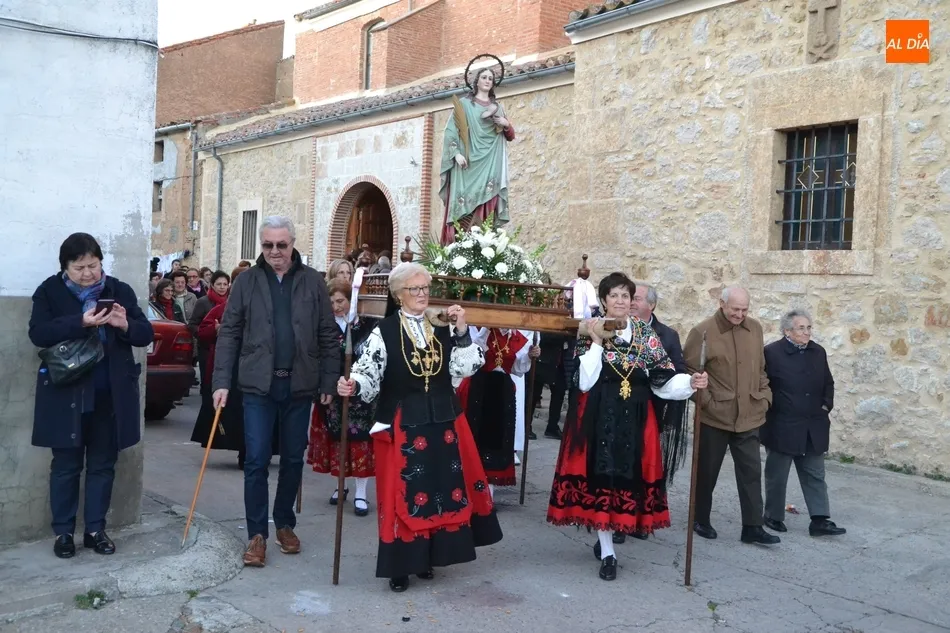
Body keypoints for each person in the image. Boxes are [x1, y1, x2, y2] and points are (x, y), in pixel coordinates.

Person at [337, 262, 502, 593]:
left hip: (442, 419)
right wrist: (353, 384)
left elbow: (467, 366)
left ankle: (430, 557)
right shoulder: (382, 331)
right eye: (415, 289)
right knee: (403, 492)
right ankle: (401, 565)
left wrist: (461, 330)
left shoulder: (440, 326)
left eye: (425, 288)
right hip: (403, 421)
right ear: (399, 295)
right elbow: (368, 370)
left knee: (441, 488)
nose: (422, 294)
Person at [546, 272, 705, 581]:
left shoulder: (645, 334)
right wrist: (595, 342)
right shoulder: (589, 329)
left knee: (627, 480)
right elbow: (584, 380)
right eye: (614, 295)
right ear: (604, 300)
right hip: (599, 414)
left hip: (636, 417)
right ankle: (608, 552)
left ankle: (607, 538)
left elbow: (662, 376)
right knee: (602, 479)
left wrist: (690, 382)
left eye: (625, 296)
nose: (620, 301)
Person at [213, 216, 340, 568]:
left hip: (299, 384)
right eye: (267, 245)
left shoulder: (313, 282)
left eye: (281, 245)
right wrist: (221, 382)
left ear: (293, 243)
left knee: (294, 459)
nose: (274, 252)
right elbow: (230, 334)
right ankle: (257, 533)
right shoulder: (247, 282)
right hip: (257, 386)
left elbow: (328, 333)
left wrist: (329, 381)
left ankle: (284, 522)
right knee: (255, 459)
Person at [29, 232, 154, 558]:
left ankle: (96, 529)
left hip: (109, 396)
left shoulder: (118, 291)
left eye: (93, 265)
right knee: (66, 465)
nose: (88, 274)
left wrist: (125, 324)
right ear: (65, 267)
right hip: (66, 394)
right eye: (79, 267)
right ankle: (64, 533)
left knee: (102, 464)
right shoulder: (49, 291)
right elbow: (38, 334)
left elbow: (145, 334)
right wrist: (80, 321)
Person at [683, 286, 779, 546]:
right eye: (735, 309)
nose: (740, 314)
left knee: (751, 472)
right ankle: (700, 519)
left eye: (744, 310)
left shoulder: (755, 329)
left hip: (749, 414)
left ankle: (752, 527)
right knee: (706, 472)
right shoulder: (702, 332)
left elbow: (760, 367)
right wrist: (707, 402)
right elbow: (689, 372)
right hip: (715, 415)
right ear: (722, 304)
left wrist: (764, 396)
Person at [762, 310, 846, 537]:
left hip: (814, 424)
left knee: (815, 473)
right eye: (801, 328)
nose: (807, 332)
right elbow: (763, 384)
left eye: (809, 327)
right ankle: (773, 516)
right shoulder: (771, 353)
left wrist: (826, 406)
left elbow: (828, 383)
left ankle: (819, 520)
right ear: (787, 331)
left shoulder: (818, 352)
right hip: (783, 424)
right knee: (777, 474)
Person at [191, 267, 278, 469]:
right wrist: (215, 330)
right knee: (238, 414)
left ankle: (257, 452)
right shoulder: (219, 308)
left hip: (260, 368)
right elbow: (203, 331)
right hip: (234, 369)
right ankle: (244, 452)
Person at [307, 278, 379, 516]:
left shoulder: (366, 325)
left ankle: (361, 493)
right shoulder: (324, 326)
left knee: (361, 443)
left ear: (351, 300)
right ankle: (341, 485)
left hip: (361, 394)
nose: (336, 306)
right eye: (332, 302)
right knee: (338, 442)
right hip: (333, 393)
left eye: (341, 301)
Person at [439, 58, 515, 244]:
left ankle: (484, 240)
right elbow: (451, 131)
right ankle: (460, 242)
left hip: (490, 160)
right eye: (484, 77)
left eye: (490, 78)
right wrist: (455, 153)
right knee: (464, 201)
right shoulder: (465, 105)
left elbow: (510, 135)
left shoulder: (498, 107)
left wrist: (506, 124)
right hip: (467, 163)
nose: (488, 80)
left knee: (488, 198)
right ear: (477, 81)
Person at [458, 328, 538, 495]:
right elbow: (474, 352)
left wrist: (529, 356)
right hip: (481, 388)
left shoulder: (516, 337)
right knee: (477, 436)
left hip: (503, 390)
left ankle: (488, 492)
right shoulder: (485, 332)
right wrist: (486, 330)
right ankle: (469, 489)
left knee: (497, 439)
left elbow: (517, 368)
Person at [630, 283, 686, 372]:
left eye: (636, 299)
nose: (631, 303)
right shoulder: (618, 330)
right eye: (629, 298)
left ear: (651, 304)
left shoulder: (669, 336)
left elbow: (679, 371)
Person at [188, 271, 230, 390]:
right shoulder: (203, 302)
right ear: (212, 285)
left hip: (227, 347)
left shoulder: (232, 302)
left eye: (225, 284)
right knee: (208, 383)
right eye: (219, 284)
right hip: (207, 348)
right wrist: (209, 331)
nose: (222, 287)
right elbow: (192, 324)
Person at [532, 331, 571, 440]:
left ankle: (552, 427)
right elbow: (542, 335)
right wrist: (565, 335)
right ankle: (527, 426)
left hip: (559, 360)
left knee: (559, 393)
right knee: (534, 394)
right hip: (543, 359)